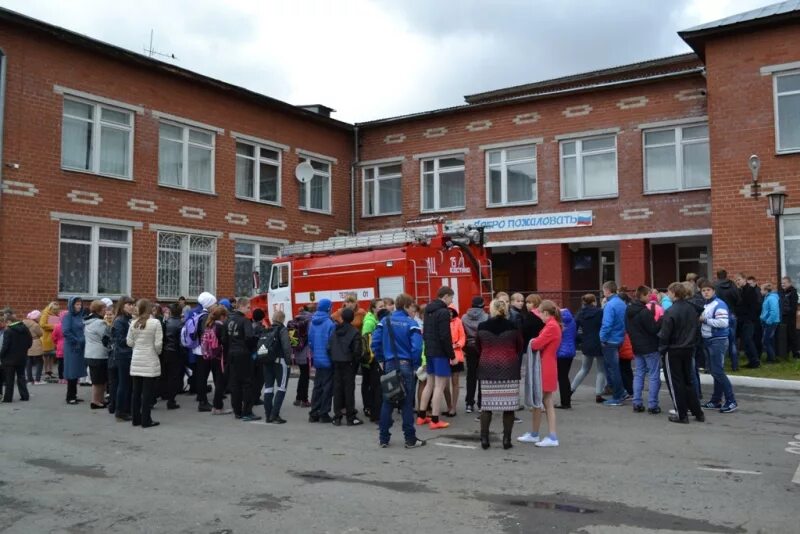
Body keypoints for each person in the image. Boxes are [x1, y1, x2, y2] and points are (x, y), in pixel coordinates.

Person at [372, 293, 425, 448]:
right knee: (406, 403)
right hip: (406, 364)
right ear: (406, 306)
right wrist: (416, 365)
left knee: (388, 400)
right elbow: (417, 347)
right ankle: (410, 439)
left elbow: (375, 342)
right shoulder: (411, 324)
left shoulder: (384, 321)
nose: (413, 311)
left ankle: (383, 438)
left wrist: (381, 359)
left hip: (389, 364)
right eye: (412, 308)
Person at [475, 298, 523, 449]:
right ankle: (506, 440)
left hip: (487, 368)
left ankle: (484, 439)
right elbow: (520, 346)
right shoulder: (513, 326)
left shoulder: (482, 326)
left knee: (486, 406)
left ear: (492, 309)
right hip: (509, 368)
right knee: (509, 407)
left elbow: (478, 346)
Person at [659, 282, 704, 424]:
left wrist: (662, 349)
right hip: (689, 347)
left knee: (675, 382)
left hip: (673, 349)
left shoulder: (671, 311)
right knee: (688, 380)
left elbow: (665, 333)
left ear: (673, 293)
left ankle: (681, 414)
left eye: (669, 292)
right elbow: (697, 329)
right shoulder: (692, 309)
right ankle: (698, 412)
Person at [518, 300, 562, 447]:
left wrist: (532, 340)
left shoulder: (550, 326)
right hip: (548, 364)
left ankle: (538, 434)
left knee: (539, 401)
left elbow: (536, 344)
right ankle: (548, 435)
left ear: (546, 313)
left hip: (545, 366)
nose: (539, 317)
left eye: (540, 313)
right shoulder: (553, 325)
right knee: (546, 401)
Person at [418, 286, 456, 430]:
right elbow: (445, 336)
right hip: (440, 353)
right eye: (451, 298)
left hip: (429, 351)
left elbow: (426, 332)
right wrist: (451, 355)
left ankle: (422, 416)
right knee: (439, 386)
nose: (451, 301)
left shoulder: (428, 310)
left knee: (429, 384)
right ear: (445, 296)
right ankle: (435, 419)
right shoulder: (443, 312)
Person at [699, 280, 738, 413]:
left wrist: (705, 320)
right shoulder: (706, 304)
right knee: (715, 372)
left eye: (708, 290)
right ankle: (716, 400)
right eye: (703, 290)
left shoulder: (719, 304)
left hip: (718, 340)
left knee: (718, 372)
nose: (706, 292)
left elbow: (723, 323)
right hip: (709, 340)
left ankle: (731, 401)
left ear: (713, 291)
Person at [126, 299, 163, 428]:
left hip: (136, 358)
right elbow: (158, 344)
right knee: (147, 392)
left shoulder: (133, 323)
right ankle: (146, 419)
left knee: (136, 391)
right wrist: (156, 352)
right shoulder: (155, 323)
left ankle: (135, 418)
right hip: (150, 358)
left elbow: (129, 343)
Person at [626, 286, 662, 414]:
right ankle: (653, 404)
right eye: (648, 295)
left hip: (636, 345)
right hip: (650, 346)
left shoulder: (629, 310)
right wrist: (661, 320)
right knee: (653, 375)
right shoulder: (645, 312)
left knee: (639, 374)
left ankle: (637, 402)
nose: (650, 298)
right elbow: (653, 329)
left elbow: (627, 328)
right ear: (643, 295)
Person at [226, 297, 259, 421]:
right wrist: (252, 350)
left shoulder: (229, 320)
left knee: (235, 384)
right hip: (244, 354)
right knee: (247, 383)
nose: (249, 310)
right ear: (242, 306)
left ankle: (237, 411)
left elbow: (224, 338)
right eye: (248, 307)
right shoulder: (245, 321)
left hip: (232, 354)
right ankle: (247, 411)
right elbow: (250, 338)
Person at [329, 307, 363, 426]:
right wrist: (354, 362)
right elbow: (357, 351)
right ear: (352, 318)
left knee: (337, 390)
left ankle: (337, 417)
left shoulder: (335, 331)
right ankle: (350, 417)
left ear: (342, 317)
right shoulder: (355, 332)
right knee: (349, 390)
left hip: (336, 362)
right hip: (349, 363)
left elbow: (329, 347)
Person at [570, 294, 606, 403]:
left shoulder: (580, 313)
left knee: (584, 368)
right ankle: (598, 394)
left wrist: (580, 339)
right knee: (601, 370)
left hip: (586, 343)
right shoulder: (600, 312)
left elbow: (574, 329)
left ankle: (571, 390)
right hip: (599, 342)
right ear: (594, 301)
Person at [599, 281, 627, 406]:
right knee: (615, 368)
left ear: (608, 290)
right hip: (619, 338)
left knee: (612, 369)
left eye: (603, 290)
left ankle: (618, 396)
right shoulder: (621, 303)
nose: (603, 293)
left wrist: (602, 338)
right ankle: (621, 392)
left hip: (610, 340)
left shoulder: (609, 305)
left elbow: (607, 324)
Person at [308, 299, 336, 423]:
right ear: (328, 309)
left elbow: (310, 341)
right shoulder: (330, 323)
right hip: (328, 359)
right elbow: (332, 344)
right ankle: (324, 413)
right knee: (327, 387)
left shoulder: (312, 322)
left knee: (317, 386)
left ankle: (314, 412)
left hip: (317, 358)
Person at [263, 310, 292, 424]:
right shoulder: (282, 329)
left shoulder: (267, 329)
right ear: (282, 319)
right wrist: (289, 361)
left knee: (268, 388)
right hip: (281, 362)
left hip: (267, 361)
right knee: (282, 387)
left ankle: (268, 414)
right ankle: (274, 415)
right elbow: (286, 347)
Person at [461, 296, 488, 414]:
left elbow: (463, 333)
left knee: (470, 376)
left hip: (469, 347)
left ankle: (469, 403)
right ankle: (481, 403)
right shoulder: (486, 317)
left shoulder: (464, 317)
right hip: (482, 347)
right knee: (482, 376)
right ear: (482, 305)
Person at [202, 305, 230, 416]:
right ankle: (218, 407)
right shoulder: (221, 327)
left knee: (217, 381)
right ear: (222, 316)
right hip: (220, 357)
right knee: (220, 382)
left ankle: (216, 406)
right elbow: (224, 342)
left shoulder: (210, 325)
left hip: (211, 356)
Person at [110, 297, 135, 421]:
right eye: (129, 304)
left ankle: (127, 408)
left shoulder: (129, 319)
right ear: (122, 306)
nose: (132, 306)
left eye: (132, 304)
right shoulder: (120, 321)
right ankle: (120, 411)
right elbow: (120, 340)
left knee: (128, 384)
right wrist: (134, 340)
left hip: (129, 354)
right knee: (124, 384)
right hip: (123, 355)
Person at [360, 298, 384, 423]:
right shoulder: (370, 321)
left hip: (373, 358)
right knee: (370, 384)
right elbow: (365, 341)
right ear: (373, 308)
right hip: (370, 359)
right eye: (380, 306)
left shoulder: (376, 319)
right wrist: (370, 358)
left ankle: (370, 407)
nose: (382, 308)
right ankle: (369, 407)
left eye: (383, 306)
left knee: (370, 384)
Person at [193, 292, 218, 412]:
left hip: (199, 350)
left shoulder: (200, 315)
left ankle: (201, 397)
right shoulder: (206, 317)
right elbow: (206, 335)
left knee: (201, 376)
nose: (216, 305)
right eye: (214, 303)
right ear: (209, 305)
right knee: (202, 377)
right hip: (204, 351)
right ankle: (203, 402)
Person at [84, 300, 111, 409]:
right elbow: (105, 336)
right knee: (98, 381)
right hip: (98, 354)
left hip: (91, 353)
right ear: (99, 310)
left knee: (100, 379)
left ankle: (101, 399)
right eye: (104, 308)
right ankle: (95, 401)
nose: (106, 310)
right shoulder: (99, 323)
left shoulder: (89, 321)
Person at [1, 309, 33, 402]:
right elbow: (30, 342)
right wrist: (24, 350)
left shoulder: (8, 331)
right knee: (21, 377)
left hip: (9, 359)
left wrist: (1, 355)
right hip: (22, 357)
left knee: (9, 379)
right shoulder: (25, 328)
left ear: (9, 322)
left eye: (5, 322)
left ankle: (8, 398)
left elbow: (5, 346)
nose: (5, 324)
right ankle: (24, 396)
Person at [714, 270, 741, 371]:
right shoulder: (732, 285)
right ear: (726, 275)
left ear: (717, 276)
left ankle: (720, 365)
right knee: (732, 341)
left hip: (719, 315)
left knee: (719, 340)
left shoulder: (715, 286)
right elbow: (738, 300)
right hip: (731, 314)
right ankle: (735, 365)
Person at [62, 297, 87, 405]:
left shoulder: (80, 317)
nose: (79, 306)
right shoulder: (68, 317)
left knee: (76, 372)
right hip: (72, 347)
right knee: (71, 371)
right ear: (71, 305)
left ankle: (74, 395)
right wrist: (76, 340)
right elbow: (66, 331)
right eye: (77, 304)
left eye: (80, 304)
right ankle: (70, 396)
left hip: (80, 346)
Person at [735, 273, 762, 368]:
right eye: (736, 280)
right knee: (746, 341)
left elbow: (753, 306)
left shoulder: (749, 290)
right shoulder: (741, 291)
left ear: (744, 279)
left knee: (748, 340)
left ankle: (755, 360)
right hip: (743, 319)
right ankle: (752, 360)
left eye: (739, 279)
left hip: (748, 320)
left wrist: (751, 318)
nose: (737, 282)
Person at [288, 305, 312, 408]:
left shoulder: (296, 319)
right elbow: (310, 336)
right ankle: (304, 400)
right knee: (305, 376)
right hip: (306, 352)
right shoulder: (309, 320)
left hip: (297, 351)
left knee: (302, 375)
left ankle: (298, 398)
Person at [445, 305, 466, 417]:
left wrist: (457, 345)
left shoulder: (458, 321)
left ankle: (453, 407)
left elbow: (463, 336)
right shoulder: (441, 321)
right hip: (444, 355)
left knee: (455, 382)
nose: (450, 314)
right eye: (448, 311)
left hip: (456, 354)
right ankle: (449, 406)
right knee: (444, 384)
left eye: (451, 312)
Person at [162, 302, 184, 410]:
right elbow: (182, 341)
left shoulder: (166, 322)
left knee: (166, 375)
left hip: (166, 351)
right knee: (174, 377)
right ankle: (171, 400)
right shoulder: (180, 324)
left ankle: (166, 394)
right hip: (176, 352)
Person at [555, 307, 576, 409]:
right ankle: (567, 401)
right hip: (570, 351)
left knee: (562, 377)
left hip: (561, 353)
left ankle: (565, 402)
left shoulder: (559, 323)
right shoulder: (572, 321)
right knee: (565, 377)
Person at [39, 302, 60, 383]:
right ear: (50, 308)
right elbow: (42, 324)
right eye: (54, 309)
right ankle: (46, 371)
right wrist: (54, 326)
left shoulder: (57, 315)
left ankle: (50, 371)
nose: (56, 311)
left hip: (53, 338)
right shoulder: (45, 314)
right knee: (46, 355)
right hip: (46, 337)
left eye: (57, 309)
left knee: (51, 355)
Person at [760, 283, 781, 364]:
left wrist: (768, 321)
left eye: (761, 290)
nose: (760, 291)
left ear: (766, 290)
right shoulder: (767, 297)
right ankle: (770, 358)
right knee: (769, 340)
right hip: (768, 321)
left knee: (765, 341)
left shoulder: (772, 298)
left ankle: (772, 359)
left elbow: (774, 311)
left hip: (770, 322)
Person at [23, 310, 44, 385]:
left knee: (28, 362)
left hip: (26, 343)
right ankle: (37, 380)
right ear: (36, 317)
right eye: (39, 317)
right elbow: (40, 333)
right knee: (40, 361)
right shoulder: (35, 325)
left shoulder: (24, 323)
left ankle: (29, 380)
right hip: (35, 343)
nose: (40, 318)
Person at [250, 308, 266, 407]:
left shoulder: (250, 326)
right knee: (260, 377)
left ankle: (253, 397)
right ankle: (255, 397)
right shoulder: (260, 328)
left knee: (253, 377)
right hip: (259, 354)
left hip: (252, 354)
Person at [781, 276, 800, 359]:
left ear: (789, 283)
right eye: (782, 283)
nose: (783, 285)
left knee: (792, 335)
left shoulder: (793, 292)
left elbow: (793, 307)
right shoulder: (783, 292)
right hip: (784, 317)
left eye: (784, 283)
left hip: (790, 318)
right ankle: (786, 353)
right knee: (786, 335)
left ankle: (796, 353)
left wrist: (786, 310)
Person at [50, 310, 67, 384]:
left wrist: (57, 343)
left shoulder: (57, 326)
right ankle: (67, 377)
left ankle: (61, 378)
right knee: (67, 364)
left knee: (60, 364)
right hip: (68, 346)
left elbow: (53, 337)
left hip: (60, 346)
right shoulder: (69, 325)